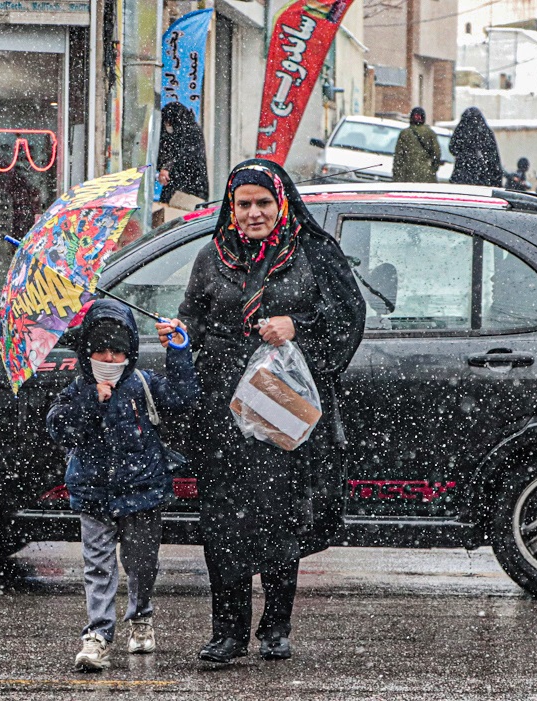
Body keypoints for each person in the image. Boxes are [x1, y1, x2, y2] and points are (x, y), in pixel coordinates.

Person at [156, 159, 366, 665]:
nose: (253, 213)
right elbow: (195, 318)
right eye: (243, 203)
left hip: (283, 399)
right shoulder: (212, 256)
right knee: (224, 522)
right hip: (223, 405)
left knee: (279, 515)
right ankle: (227, 631)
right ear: (231, 206)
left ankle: (275, 626)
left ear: (282, 203)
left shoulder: (314, 253)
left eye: (263, 203)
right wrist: (182, 338)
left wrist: (297, 325)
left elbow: (348, 320)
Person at [47, 299, 200, 672]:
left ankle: (141, 614)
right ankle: (97, 635)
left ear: (129, 352)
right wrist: (89, 401)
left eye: (117, 351)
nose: (109, 358)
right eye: (101, 350)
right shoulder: (76, 390)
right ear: (87, 351)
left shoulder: (142, 385)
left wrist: (180, 354)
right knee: (97, 566)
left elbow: (184, 399)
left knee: (141, 563)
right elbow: (58, 427)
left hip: (142, 492)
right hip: (93, 493)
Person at [156, 102, 209, 204]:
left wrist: (168, 168)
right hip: (177, 187)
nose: (167, 125)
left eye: (169, 122)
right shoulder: (180, 132)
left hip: (190, 190)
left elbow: (187, 157)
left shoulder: (192, 132)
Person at [449, 107, 504, 187]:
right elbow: (494, 159)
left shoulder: (461, 130)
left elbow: (452, 148)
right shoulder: (485, 132)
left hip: (461, 177)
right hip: (482, 178)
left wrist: (464, 155)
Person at [391, 107, 442, 183]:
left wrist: (397, 175)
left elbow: (398, 157)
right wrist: (432, 169)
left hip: (408, 174)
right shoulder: (430, 133)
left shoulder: (405, 133)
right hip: (426, 175)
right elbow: (437, 154)